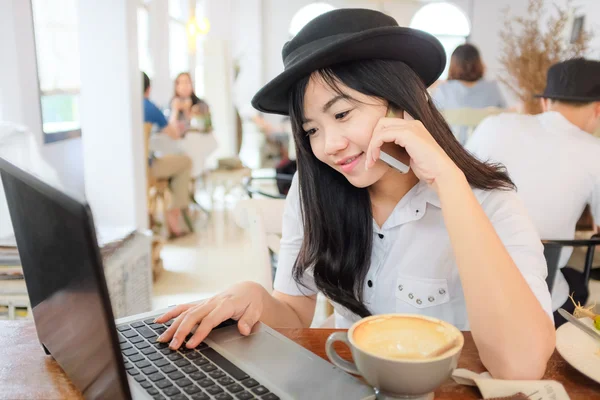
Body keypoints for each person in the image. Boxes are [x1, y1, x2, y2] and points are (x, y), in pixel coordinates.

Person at [154, 9, 554, 379]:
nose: (328, 145)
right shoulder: (314, 192)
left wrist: (449, 185)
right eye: (311, 130)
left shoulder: (490, 203)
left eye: (342, 114)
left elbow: (519, 366)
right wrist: (254, 296)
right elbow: (294, 310)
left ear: (403, 104)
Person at [466, 58, 600, 327]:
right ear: (597, 109)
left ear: (544, 102)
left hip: (465, 280)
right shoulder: (595, 152)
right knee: (577, 279)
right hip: (539, 299)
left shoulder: (493, 125)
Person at [143, 72, 193, 238]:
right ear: (148, 89)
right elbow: (174, 134)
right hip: (147, 169)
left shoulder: (120, 107)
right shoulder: (149, 106)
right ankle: (174, 221)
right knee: (185, 161)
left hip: (125, 170)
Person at [431, 44, 507, 144]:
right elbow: (505, 117)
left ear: (453, 65)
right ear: (479, 63)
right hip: (486, 150)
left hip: (451, 152)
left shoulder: (443, 89)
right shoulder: (492, 88)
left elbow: (432, 122)